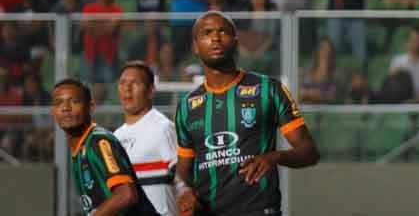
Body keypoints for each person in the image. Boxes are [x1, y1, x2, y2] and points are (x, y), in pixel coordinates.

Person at [175, 11, 320, 216]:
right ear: (195, 46)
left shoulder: (268, 89)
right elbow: (183, 170)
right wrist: (182, 190)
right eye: (207, 33)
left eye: (223, 31)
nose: (215, 38)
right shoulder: (187, 106)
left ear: (235, 41)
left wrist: (273, 157)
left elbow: (309, 152)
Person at [52, 78, 158, 215]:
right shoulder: (80, 149)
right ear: (53, 111)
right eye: (59, 103)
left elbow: (126, 194)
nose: (65, 108)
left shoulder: (99, 142)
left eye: (74, 102)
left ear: (90, 107)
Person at [114, 62, 180, 216]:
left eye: (135, 83)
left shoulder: (163, 128)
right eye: (123, 83)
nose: (127, 88)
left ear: (151, 91)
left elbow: (184, 180)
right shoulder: (116, 137)